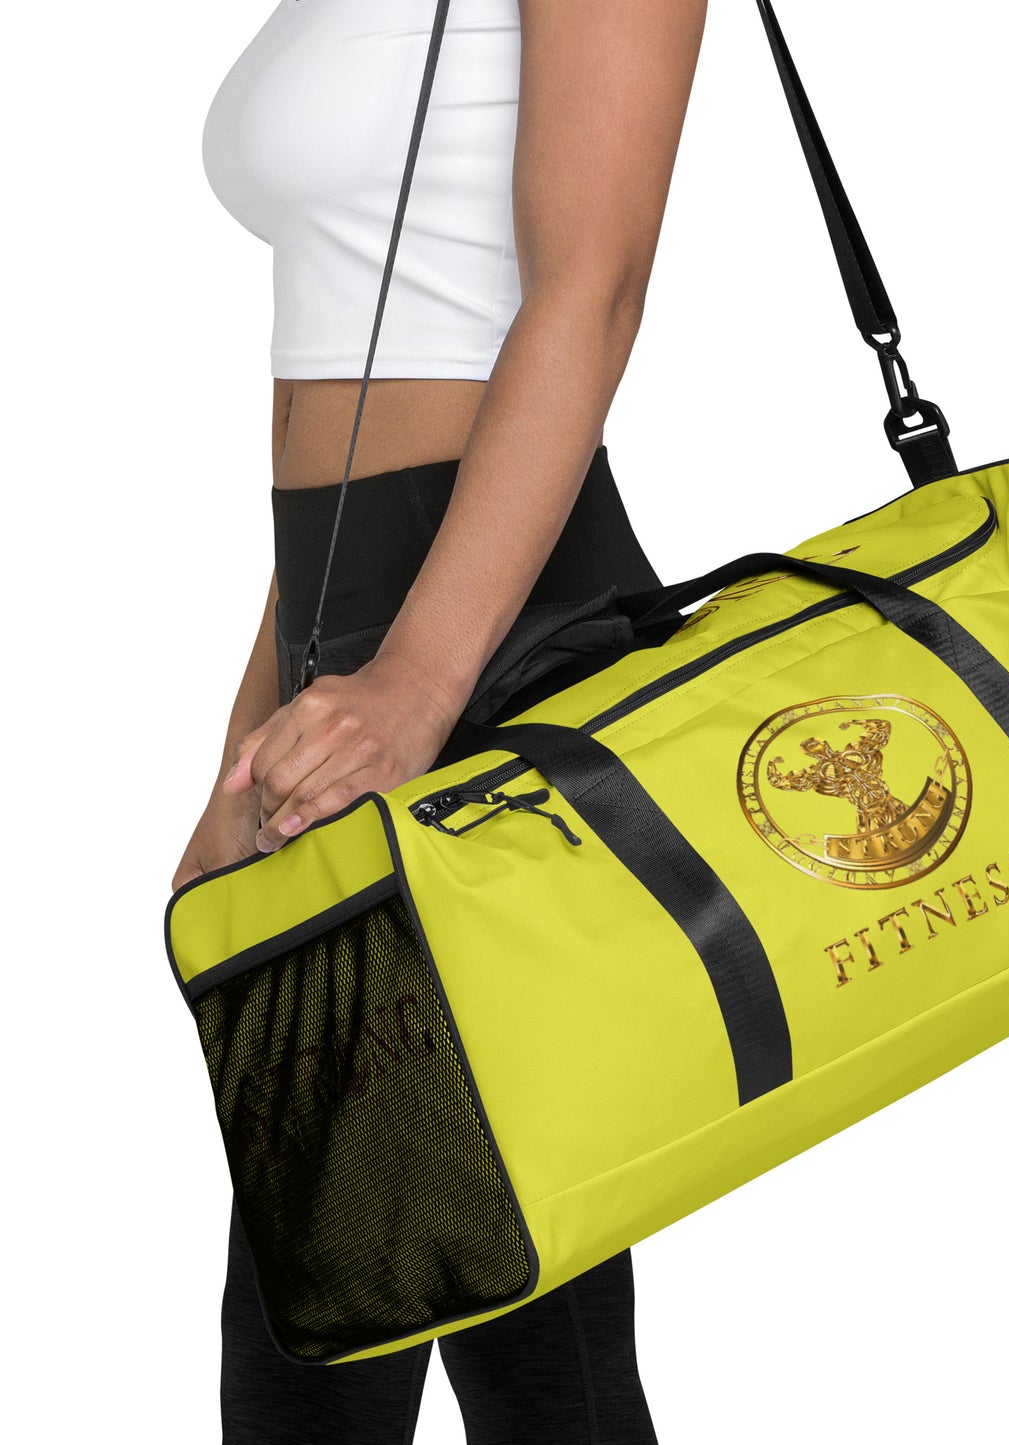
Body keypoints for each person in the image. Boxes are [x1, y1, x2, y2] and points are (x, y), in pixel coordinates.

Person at [171, 1, 709, 1438]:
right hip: (363, 640)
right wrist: (250, 745)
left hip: (491, 646)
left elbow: (594, 288)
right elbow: (345, 416)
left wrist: (417, 688)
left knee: (339, 1316)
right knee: (508, 1326)